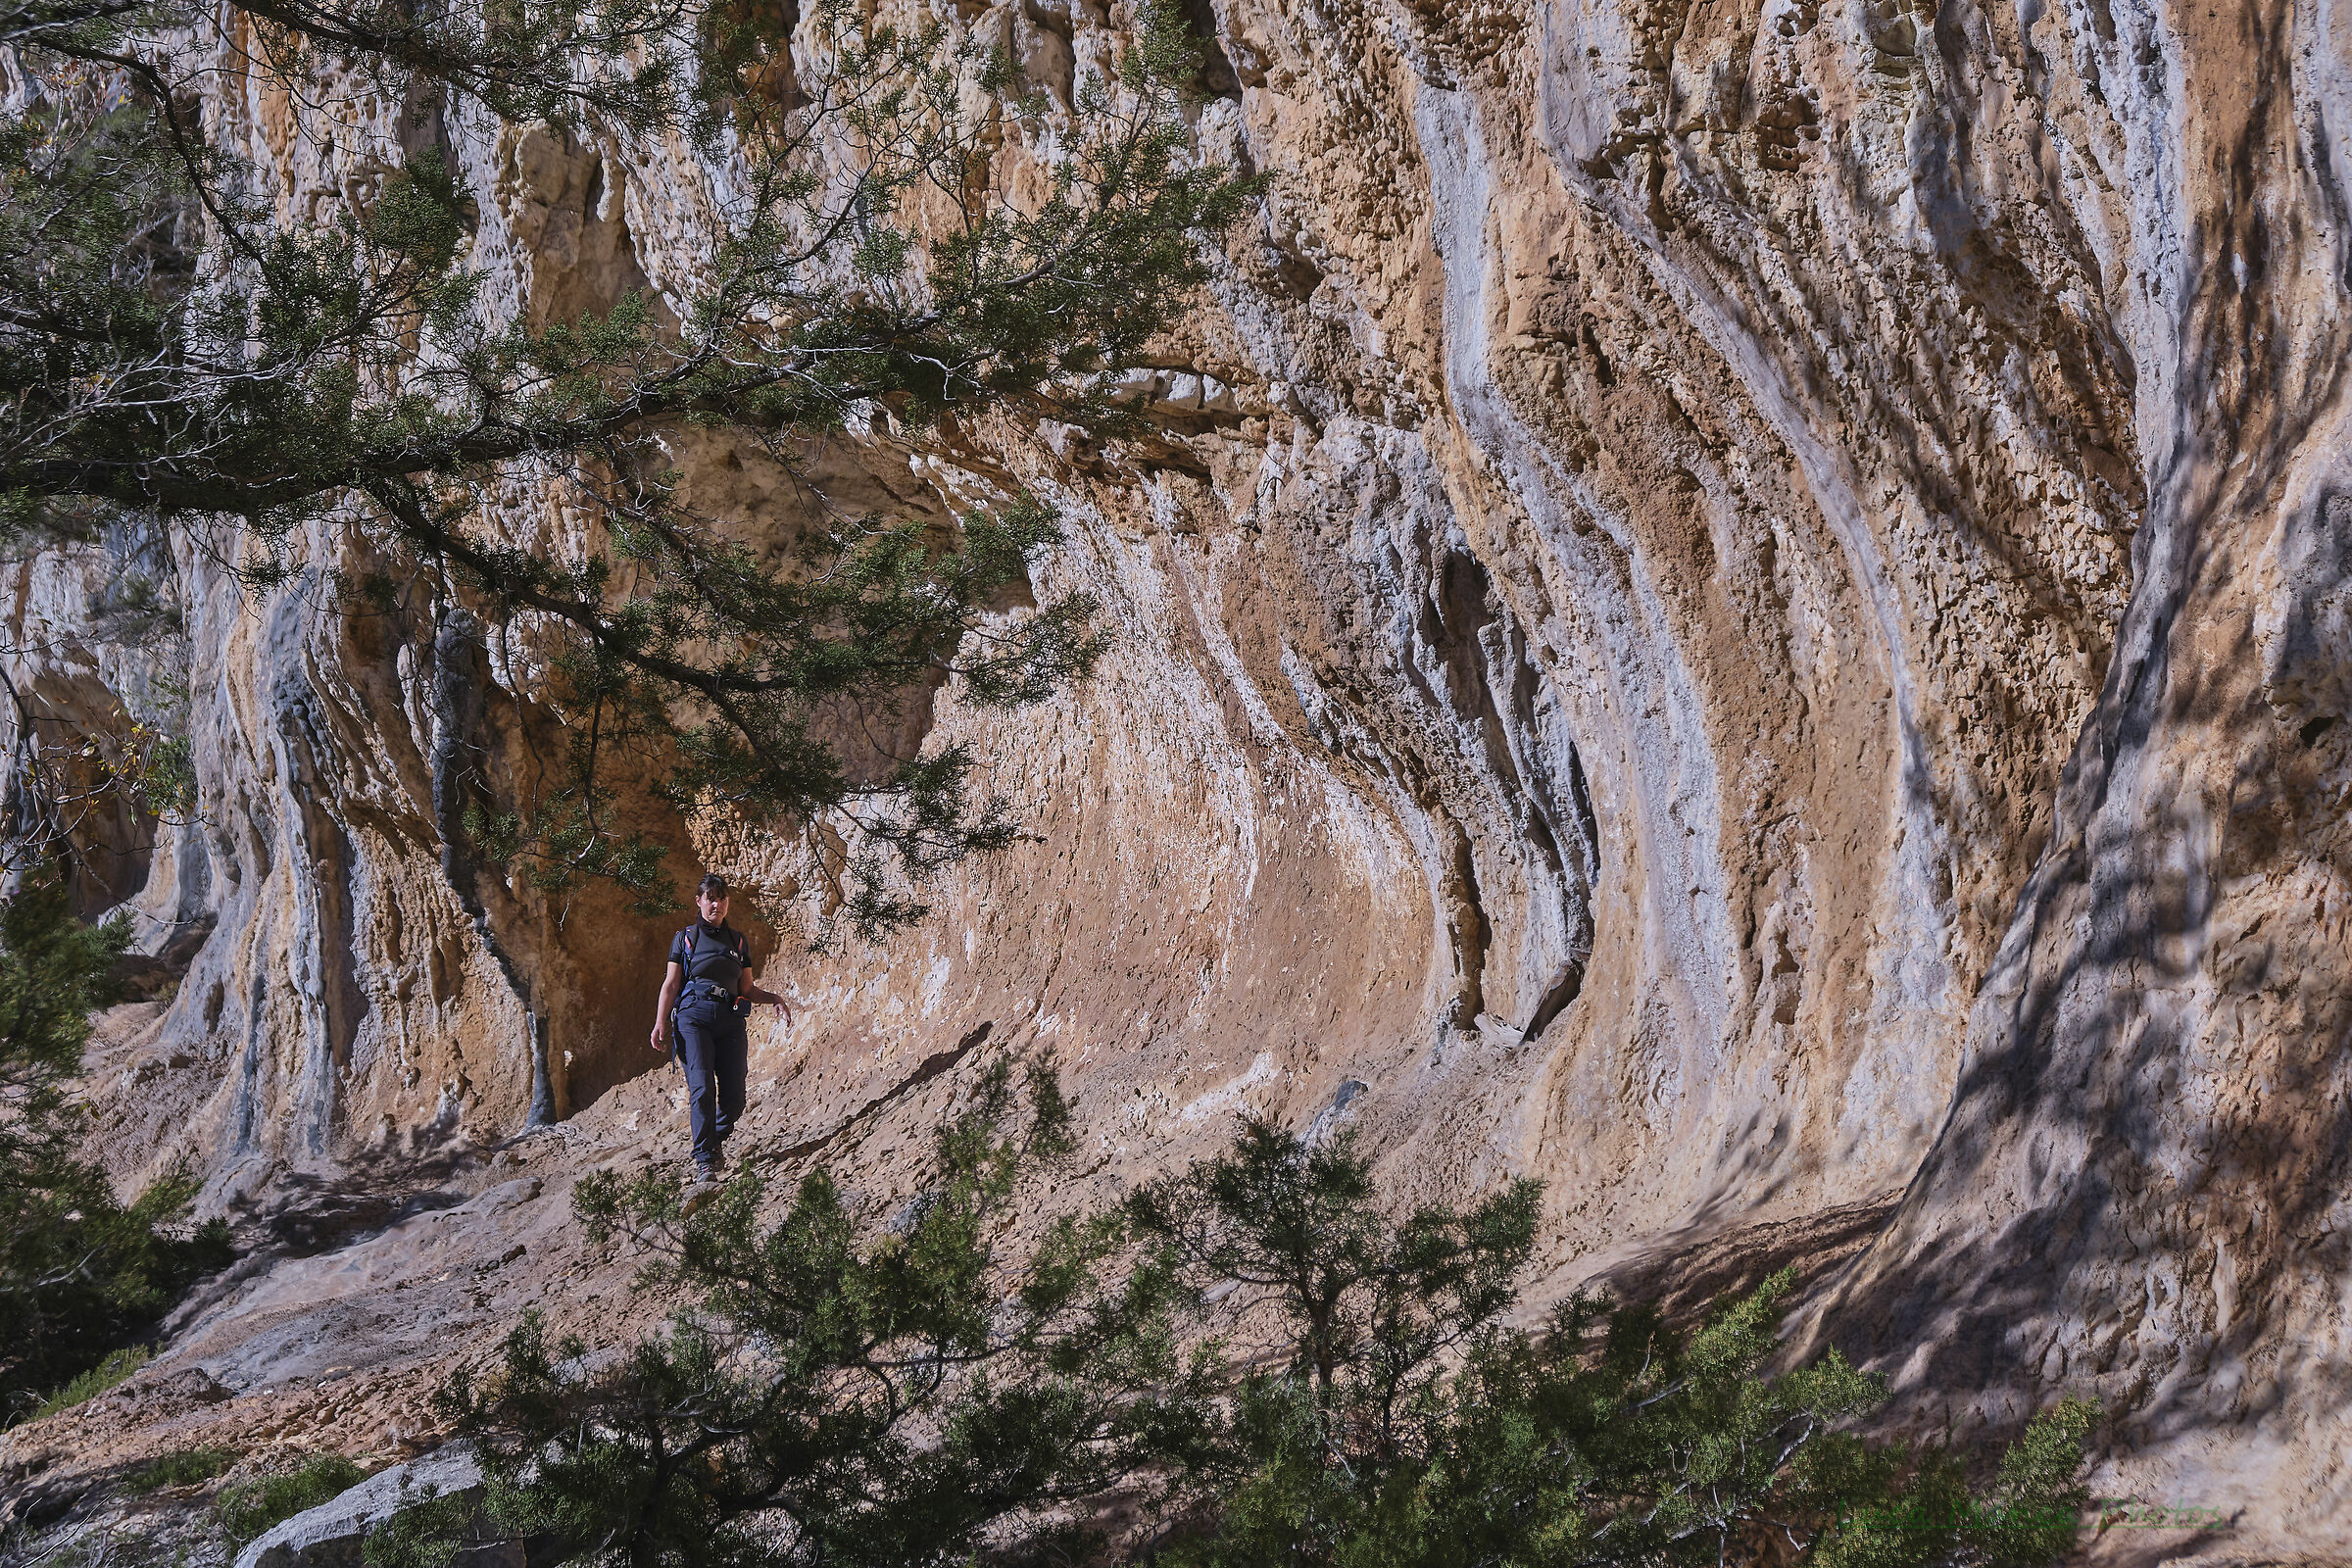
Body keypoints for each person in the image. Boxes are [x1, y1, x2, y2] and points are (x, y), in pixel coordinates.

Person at [651, 873, 790, 1184]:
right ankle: (704, 1161)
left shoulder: (738, 942)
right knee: (702, 1089)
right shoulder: (686, 938)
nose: (716, 903)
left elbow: (748, 989)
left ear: (727, 902)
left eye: (721, 898)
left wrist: (775, 999)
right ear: (699, 901)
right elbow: (671, 984)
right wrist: (660, 1022)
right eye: (710, 898)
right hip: (692, 1017)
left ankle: (713, 1141)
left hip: (730, 1020)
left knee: (735, 1099)